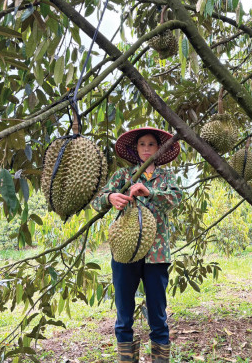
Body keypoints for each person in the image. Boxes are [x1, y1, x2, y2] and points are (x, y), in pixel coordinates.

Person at [92, 127, 182, 363]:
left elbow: (176, 197)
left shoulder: (166, 178)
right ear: (135, 149)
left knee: (158, 316)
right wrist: (111, 198)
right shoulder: (123, 176)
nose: (146, 149)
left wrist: (149, 192)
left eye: (151, 144)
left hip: (157, 254)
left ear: (159, 149)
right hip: (125, 254)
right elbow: (98, 200)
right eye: (142, 144)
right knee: (123, 315)